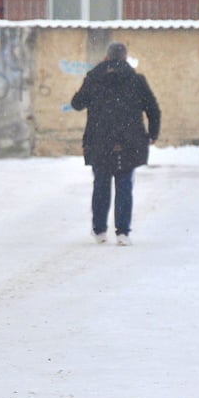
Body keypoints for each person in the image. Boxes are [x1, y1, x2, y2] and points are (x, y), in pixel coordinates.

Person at [71, 42, 161, 246]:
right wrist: (153, 134)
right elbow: (153, 109)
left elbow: (76, 104)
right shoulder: (136, 80)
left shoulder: (94, 78)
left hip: (99, 139)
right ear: (125, 58)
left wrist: (92, 85)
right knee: (124, 184)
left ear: (106, 57)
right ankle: (122, 232)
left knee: (101, 185)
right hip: (129, 140)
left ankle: (100, 230)